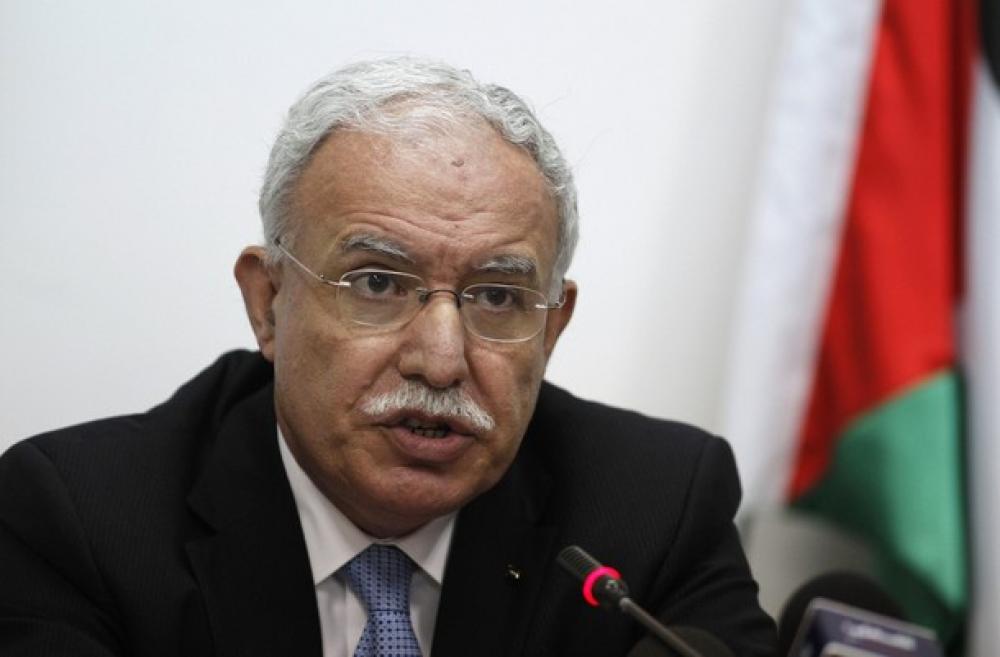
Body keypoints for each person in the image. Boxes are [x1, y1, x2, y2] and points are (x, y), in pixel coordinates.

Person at [0, 58, 777, 657]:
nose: (440, 361)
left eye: (498, 296)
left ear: (552, 328)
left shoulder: (656, 511)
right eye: (377, 282)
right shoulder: (81, 522)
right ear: (268, 302)